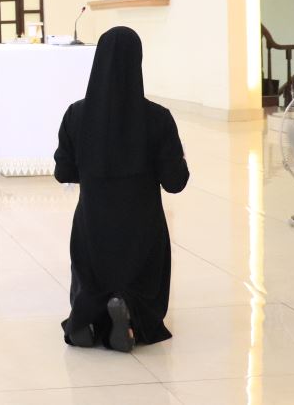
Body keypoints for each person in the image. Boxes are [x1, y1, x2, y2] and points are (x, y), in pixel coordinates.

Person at [52, 26, 189, 352]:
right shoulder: (158, 118)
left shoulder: (76, 114)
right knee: (141, 271)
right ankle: (127, 313)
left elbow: (63, 173)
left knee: (91, 272)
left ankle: (87, 317)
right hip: (141, 227)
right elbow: (175, 182)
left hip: (93, 224)